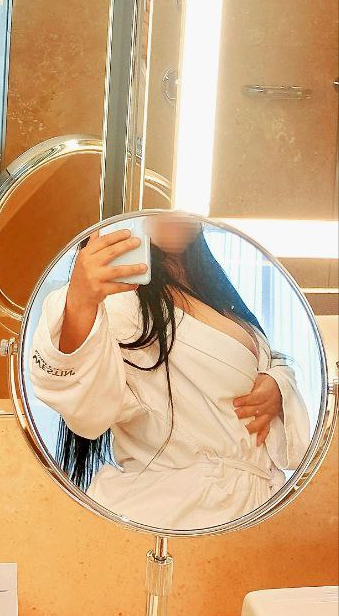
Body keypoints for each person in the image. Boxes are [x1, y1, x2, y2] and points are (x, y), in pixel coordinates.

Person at [29, 216, 311, 530]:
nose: (169, 215)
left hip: (249, 507)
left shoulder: (213, 293)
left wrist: (277, 384)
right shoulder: (121, 302)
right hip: (178, 511)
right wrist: (81, 302)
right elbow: (84, 402)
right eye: (154, 207)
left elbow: (267, 360)